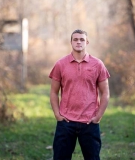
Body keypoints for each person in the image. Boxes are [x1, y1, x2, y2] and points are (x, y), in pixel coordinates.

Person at [49, 29, 110, 160]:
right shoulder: (60, 64)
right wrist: (57, 115)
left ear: (87, 42)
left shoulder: (98, 64)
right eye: (75, 39)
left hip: (89, 122)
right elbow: (54, 92)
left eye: (81, 39)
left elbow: (105, 93)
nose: (78, 42)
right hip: (66, 122)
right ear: (71, 42)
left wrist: (98, 116)